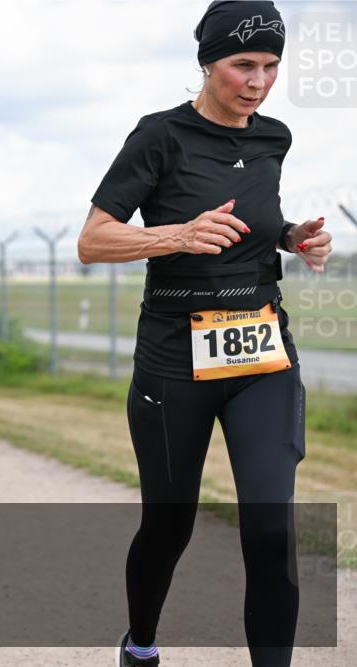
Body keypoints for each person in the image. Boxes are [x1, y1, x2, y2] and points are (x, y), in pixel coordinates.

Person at [76, 3, 333, 666]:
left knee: (271, 529)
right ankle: (140, 643)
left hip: (260, 351)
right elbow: (93, 240)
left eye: (271, 66)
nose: (258, 80)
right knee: (169, 524)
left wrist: (288, 237)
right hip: (173, 360)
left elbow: (252, 223)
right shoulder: (158, 136)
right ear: (207, 61)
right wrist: (177, 234)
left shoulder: (273, 138)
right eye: (242, 64)